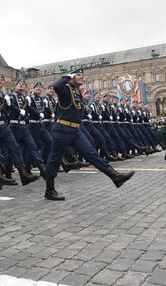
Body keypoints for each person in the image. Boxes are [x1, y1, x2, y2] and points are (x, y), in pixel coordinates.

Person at [43, 68, 135, 201]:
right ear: (72, 77)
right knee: (54, 159)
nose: (81, 77)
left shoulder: (77, 92)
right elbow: (56, 86)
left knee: (92, 153)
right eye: (78, 75)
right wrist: (67, 76)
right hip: (62, 129)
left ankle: (115, 176)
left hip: (75, 130)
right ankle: (49, 190)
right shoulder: (65, 89)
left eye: (82, 75)